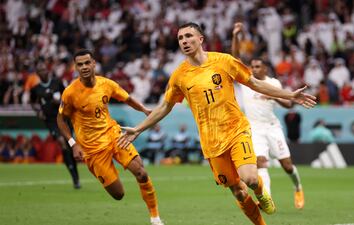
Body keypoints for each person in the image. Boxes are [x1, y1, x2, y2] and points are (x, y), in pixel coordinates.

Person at [118, 22, 316, 225]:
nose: (184, 41)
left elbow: (255, 83)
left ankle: (261, 192)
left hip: (237, 130)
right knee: (239, 192)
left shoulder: (224, 61)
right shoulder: (179, 76)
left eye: (189, 36)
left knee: (250, 179)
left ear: (200, 39)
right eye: (180, 38)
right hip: (211, 143)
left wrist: (290, 94)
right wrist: (139, 129)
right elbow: (164, 107)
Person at [56, 49, 164, 225]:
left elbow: (127, 99)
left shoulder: (106, 84)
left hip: (114, 135)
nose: (84, 67)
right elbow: (60, 119)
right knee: (118, 194)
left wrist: (144, 110)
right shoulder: (70, 93)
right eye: (80, 64)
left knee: (141, 173)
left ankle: (155, 218)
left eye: (87, 63)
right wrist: (72, 143)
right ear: (75, 67)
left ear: (94, 64)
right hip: (92, 150)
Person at [232, 22, 305, 209]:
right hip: (255, 129)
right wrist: (236, 36)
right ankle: (266, 199)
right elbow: (235, 59)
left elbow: (288, 104)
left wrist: (273, 94)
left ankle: (298, 187)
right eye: (253, 66)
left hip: (272, 127)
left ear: (265, 69)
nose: (254, 69)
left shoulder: (273, 83)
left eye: (258, 66)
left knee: (287, 166)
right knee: (261, 163)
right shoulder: (246, 81)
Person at [30, 58, 81, 189]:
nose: (43, 72)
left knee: (70, 147)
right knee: (62, 143)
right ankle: (75, 177)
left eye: (44, 69)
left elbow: (67, 96)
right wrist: (38, 112)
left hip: (64, 118)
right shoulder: (36, 89)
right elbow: (32, 102)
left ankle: (75, 175)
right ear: (37, 73)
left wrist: (58, 103)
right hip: (51, 121)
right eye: (40, 70)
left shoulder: (57, 82)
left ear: (48, 70)